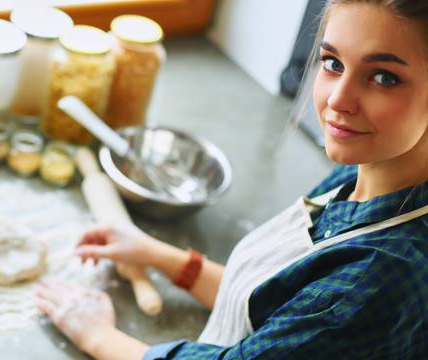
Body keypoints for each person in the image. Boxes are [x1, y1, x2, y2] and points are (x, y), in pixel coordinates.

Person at [35, 0, 428, 358]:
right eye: (332, 62)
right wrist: (159, 256)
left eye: (384, 78)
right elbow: (275, 303)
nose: (338, 100)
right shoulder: (367, 171)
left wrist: (95, 335)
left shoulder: (374, 281)